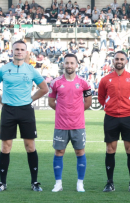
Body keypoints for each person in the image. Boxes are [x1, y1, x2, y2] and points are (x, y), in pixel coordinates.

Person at [0, 40, 49, 192]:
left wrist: (30, 99)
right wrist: (2, 101)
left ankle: (34, 183)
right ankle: (2, 183)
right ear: (12, 51)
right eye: (16, 49)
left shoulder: (31, 70)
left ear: (26, 52)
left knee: (30, 146)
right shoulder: (3, 69)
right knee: (6, 147)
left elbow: (44, 88)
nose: (19, 52)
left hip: (26, 110)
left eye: (22, 49)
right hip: (8, 110)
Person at [97, 51, 130, 192]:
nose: (119, 61)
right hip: (111, 117)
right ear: (113, 61)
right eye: (117, 59)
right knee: (110, 149)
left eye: (121, 59)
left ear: (126, 61)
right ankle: (110, 182)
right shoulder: (105, 79)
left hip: (128, 117)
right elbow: (100, 97)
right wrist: (107, 107)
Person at [48, 54, 92, 193]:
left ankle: (80, 183)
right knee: (59, 152)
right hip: (60, 125)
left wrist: (76, 112)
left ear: (77, 65)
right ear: (63, 64)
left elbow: (88, 102)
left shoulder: (84, 83)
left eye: (72, 63)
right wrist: (62, 111)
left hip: (78, 125)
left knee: (80, 151)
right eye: (67, 63)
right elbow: (51, 102)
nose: (69, 65)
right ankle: (58, 184)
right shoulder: (55, 83)